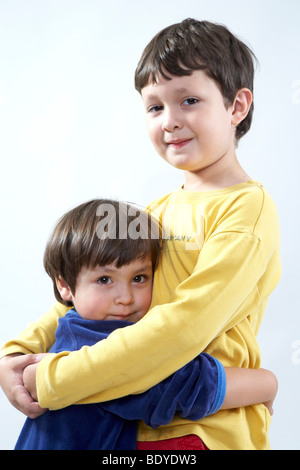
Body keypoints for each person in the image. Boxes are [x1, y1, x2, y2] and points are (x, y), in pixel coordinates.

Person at [0, 19, 281, 450]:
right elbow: (82, 290)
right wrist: (17, 353)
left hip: (200, 427)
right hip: (127, 423)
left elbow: (184, 327)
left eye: (188, 100)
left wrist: (56, 377)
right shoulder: (150, 214)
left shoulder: (245, 208)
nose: (170, 121)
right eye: (154, 107)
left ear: (237, 106)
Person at [14, 199, 275, 450]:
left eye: (139, 278)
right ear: (64, 286)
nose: (126, 298)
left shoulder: (77, 328)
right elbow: (176, 386)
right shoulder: (93, 342)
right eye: (105, 280)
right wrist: (267, 384)